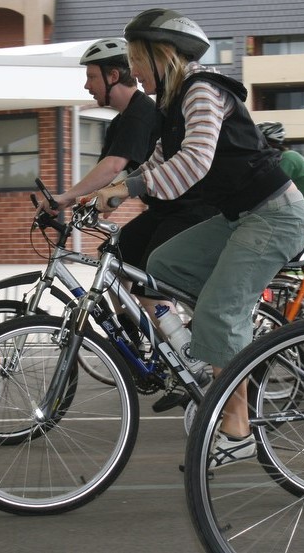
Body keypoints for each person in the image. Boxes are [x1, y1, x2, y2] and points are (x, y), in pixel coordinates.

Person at [90, 8, 304, 467]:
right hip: (239, 217)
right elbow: (154, 164)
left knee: (218, 310)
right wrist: (96, 196)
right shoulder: (173, 106)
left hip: (275, 216)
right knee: (161, 266)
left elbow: (196, 160)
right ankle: (203, 353)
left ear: (160, 55)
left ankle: (237, 426)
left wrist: (125, 188)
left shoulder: (203, 91)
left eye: (135, 59)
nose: (132, 70)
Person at [39, 36, 215, 410]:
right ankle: (144, 347)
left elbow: (115, 167)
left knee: (151, 280)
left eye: (91, 77)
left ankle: (191, 358)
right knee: (115, 259)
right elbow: (108, 179)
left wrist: (65, 197)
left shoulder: (141, 112)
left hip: (190, 209)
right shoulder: (120, 122)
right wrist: (89, 205)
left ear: (113, 74)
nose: (87, 85)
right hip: (164, 209)